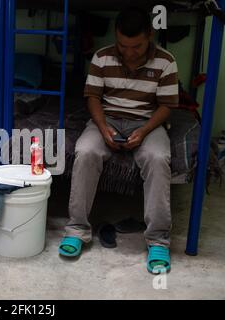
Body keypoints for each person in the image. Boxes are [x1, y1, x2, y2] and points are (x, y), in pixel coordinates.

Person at [58, 7, 178, 274]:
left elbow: (168, 106)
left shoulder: (166, 61)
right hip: (107, 119)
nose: (129, 52)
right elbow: (93, 97)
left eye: (136, 46)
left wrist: (144, 131)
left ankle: (158, 239)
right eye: (123, 45)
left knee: (158, 159)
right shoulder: (102, 57)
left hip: (146, 122)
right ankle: (77, 229)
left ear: (150, 35)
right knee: (85, 151)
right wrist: (102, 128)